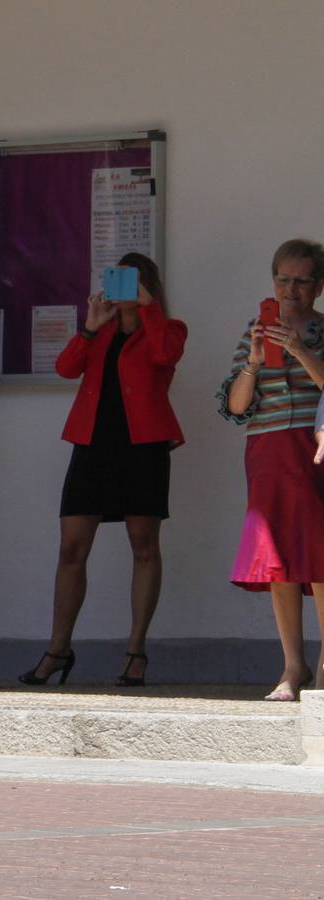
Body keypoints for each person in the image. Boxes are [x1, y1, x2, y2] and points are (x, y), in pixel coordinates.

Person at [21, 254, 185, 688]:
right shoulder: (101, 328)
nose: (122, 288)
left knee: (144, 546)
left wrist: (147, 308)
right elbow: (65, 368)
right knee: (71, 548)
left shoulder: (167, 328)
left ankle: (135, 651)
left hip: (143, 446)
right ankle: (58, 649)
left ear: (147, 284)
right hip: (93, 445)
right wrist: (91, 326)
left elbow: (166, 354)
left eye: (132, 281)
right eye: (117, 279)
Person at [221, 238, 324, 701]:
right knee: (279, 561)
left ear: (319, 286)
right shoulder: (255, 331)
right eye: (283, 279)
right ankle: (292, 666)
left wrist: (301, 350)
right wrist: (253, 363)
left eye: (302, 280)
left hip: (312, 448)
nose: (291, 289)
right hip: (265, 450)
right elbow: (236, 406)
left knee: (319, 560)